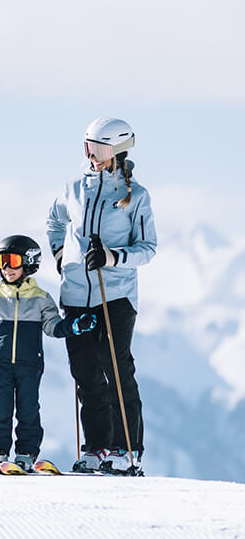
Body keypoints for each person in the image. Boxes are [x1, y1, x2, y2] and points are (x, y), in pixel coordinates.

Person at [46, 117, 157, 475]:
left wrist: (112, 257)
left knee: (116, 368)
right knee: (86, 373)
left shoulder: (135, 197)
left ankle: (128, 449)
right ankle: (96, 447)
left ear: (119, 151)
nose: (92, 156)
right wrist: (62, 257)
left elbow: (149, 248)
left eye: (100, 149)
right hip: (77, 294)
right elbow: (54, 221)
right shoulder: (74, 189)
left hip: (117, 295)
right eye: (88, 147)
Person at [0, 235, 96, 474]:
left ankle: (26, 453)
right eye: (2, 261)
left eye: (12, 260)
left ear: (28, 263)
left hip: (29, 365)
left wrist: (74, 326)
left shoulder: (40, 298)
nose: (6, 267)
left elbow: (53, 326)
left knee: (28, 409)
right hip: (0, 364)